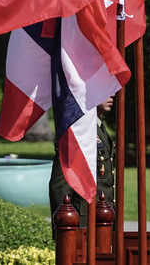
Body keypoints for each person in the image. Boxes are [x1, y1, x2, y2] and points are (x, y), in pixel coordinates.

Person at [49, 96, 115, 228]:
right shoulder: (77, 131)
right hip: (83, 224)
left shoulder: (98, 125)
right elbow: (60, 186)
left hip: (102, 219)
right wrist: (65, 229)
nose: (112, 95)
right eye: (105, 91)